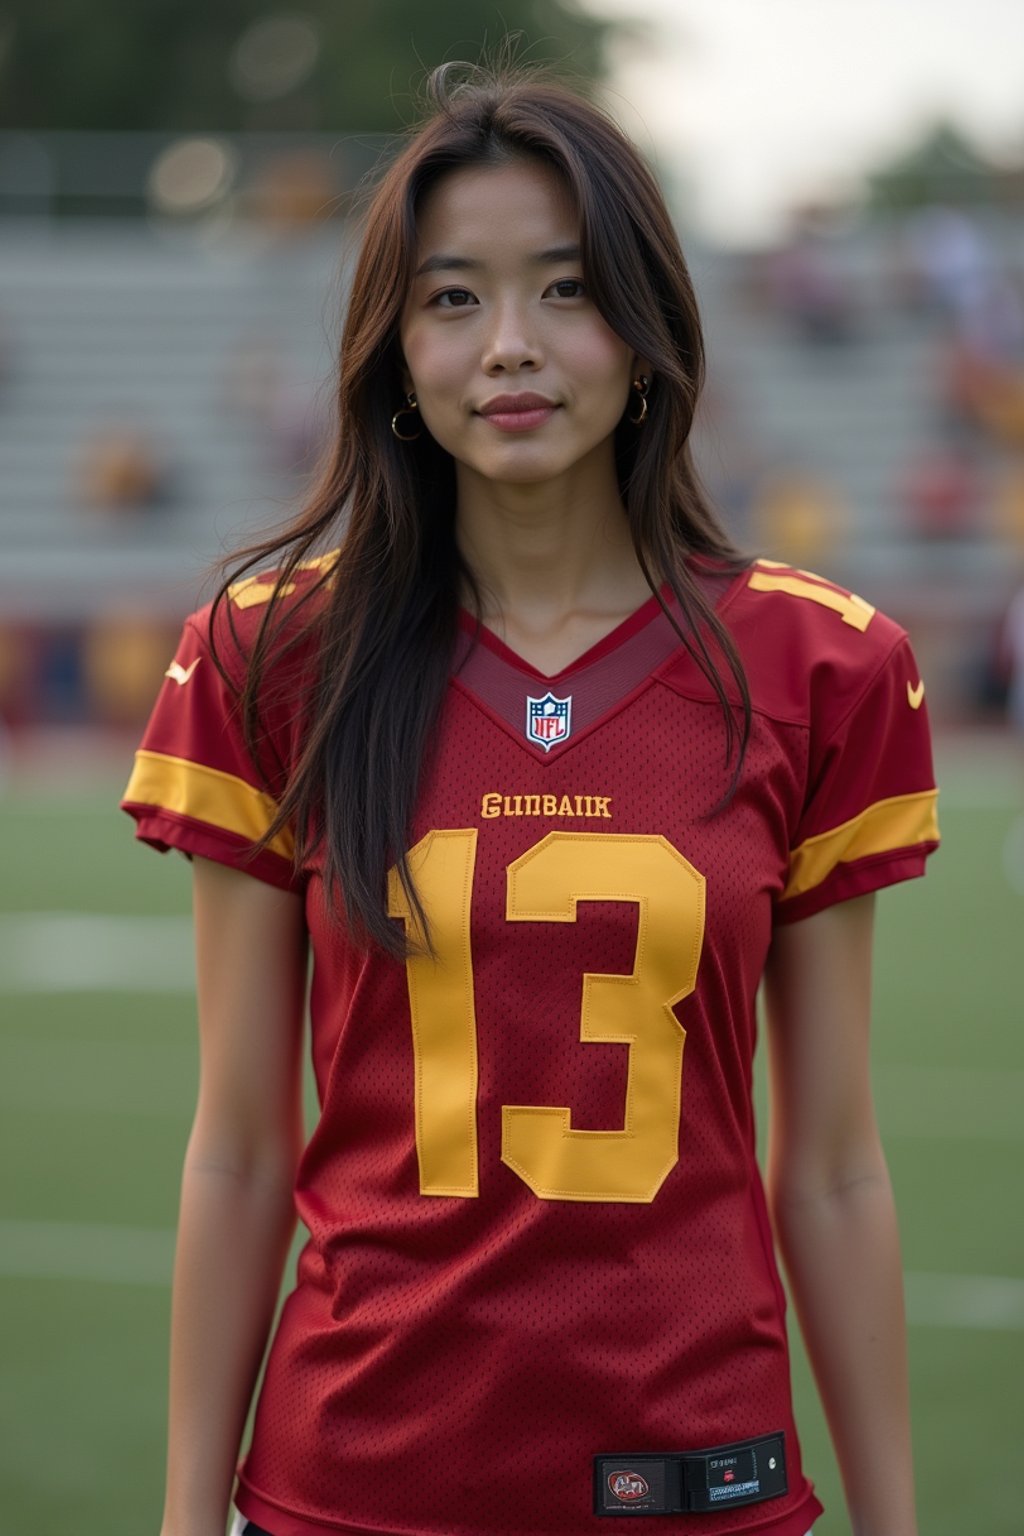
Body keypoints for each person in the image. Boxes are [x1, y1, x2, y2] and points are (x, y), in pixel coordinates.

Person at [121, 60, 940, 1536]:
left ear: (649, 330)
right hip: (346, 1489)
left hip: (697, 1483)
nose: (509, 346)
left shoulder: (824, 664)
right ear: (395, 346)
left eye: (566, 290)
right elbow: (238, 1142)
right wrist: (188, 1518)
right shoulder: (269, 654)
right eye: (452, 299)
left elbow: (829, 1167)